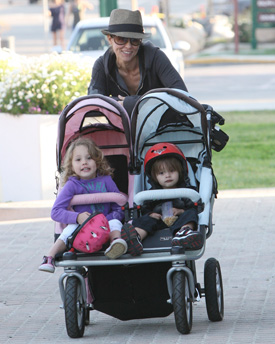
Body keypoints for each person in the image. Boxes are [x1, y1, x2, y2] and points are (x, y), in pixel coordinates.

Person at [39, 137, 127, 273]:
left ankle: (115, 242)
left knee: (116, 222)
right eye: (78, 160)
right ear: (71, 165)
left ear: (97, 161)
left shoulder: (106, 181)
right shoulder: (72, 185)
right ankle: (50, 256)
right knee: (69, 229)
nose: (84, 162)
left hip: (105, 224)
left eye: (89, 158)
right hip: (82, 228)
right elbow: (55, 212)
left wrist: (107, 218)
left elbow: (118, 206)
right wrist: (77, 217)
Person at [87, 8, 188, 115]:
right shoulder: (102, 65)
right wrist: (152, 102)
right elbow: (94, 105)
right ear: (110, 39)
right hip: (121, 129)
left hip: (158, 129)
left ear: (140, 41)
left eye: (135, 40)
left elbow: (182, 97)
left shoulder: (155, 57)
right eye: (121, 39)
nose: (128, 46)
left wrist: (131, 103)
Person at [121, 143, 203, 256]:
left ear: (180, 172)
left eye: (172, 171)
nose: (167, 175)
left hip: (179, 221)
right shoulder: (151, 194)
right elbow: (145, 209)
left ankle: (184, 233)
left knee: (191, 213)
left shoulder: (186, 191)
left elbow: (193, 207)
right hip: (158, 222)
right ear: (154, 176)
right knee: (145, 220)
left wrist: (180, 211)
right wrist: (151, 214)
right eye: (161, 173)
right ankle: (136, 237)